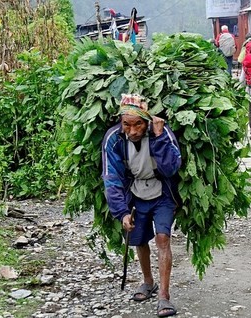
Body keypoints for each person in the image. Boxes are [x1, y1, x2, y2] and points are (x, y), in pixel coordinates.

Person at [102, 93, 181, 317]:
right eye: (127, 125)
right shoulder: (114, 139)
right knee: (138, 237)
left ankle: (164, 296)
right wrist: (122, 212)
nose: (133, 131)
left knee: (163, 238)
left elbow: (171, 168)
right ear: (121, 123)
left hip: (162, 191)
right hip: (135, 191)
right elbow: (112, 177)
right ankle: (148, 282)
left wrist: (157, 138)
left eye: (138, 124)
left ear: (147, 121)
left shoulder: (161, 132)